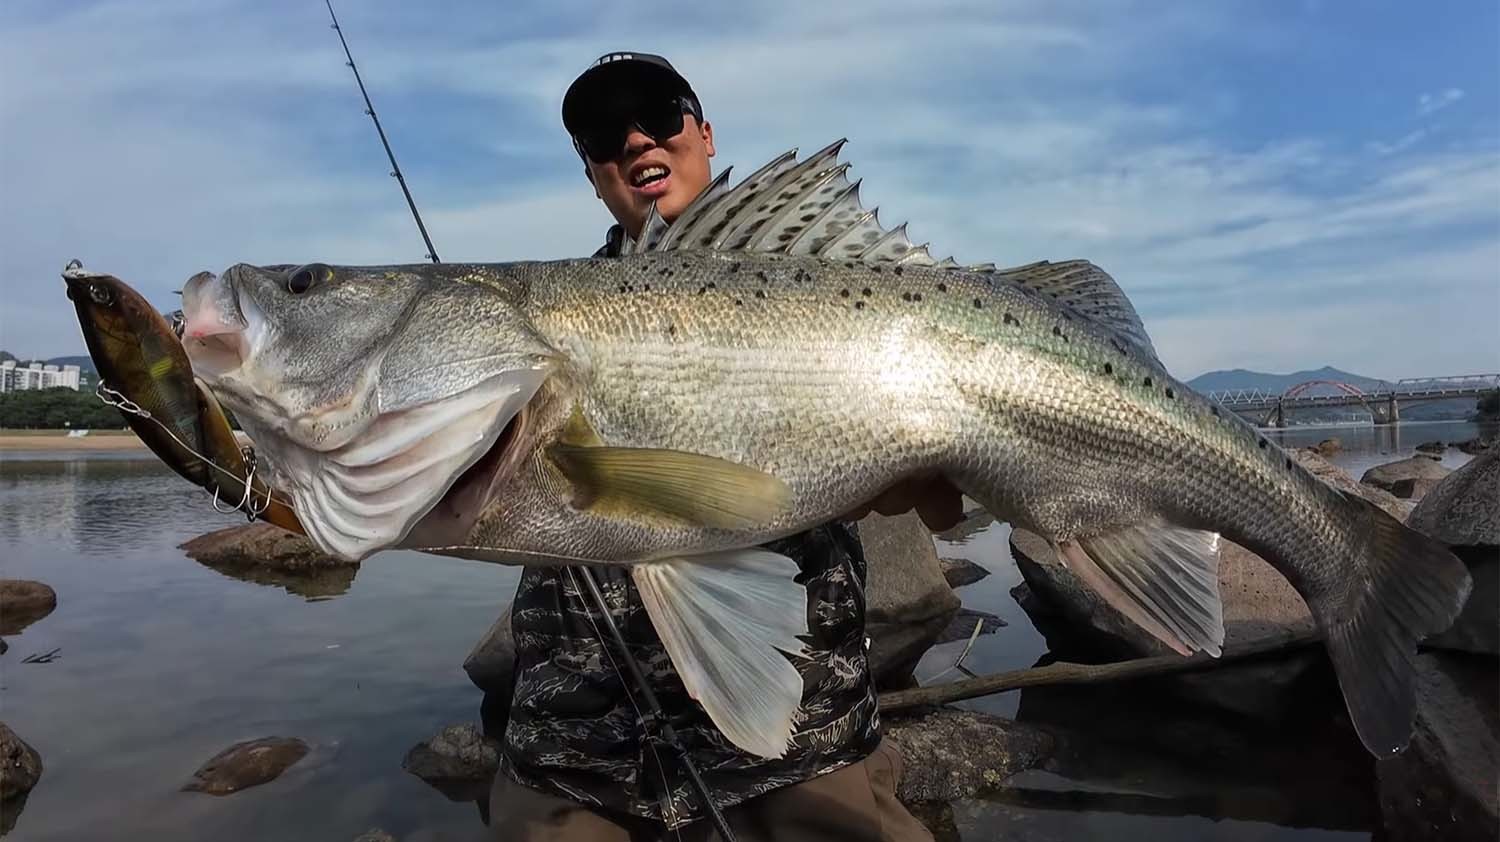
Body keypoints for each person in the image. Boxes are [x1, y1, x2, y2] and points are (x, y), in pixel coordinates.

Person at [487, 51, 956, 842]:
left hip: (804, 735)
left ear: (703, 131)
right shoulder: (536, 317)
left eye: (659, 113)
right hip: (587, 755)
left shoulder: (842, 292)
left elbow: (946, 509)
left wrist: (930, 475)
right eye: (604, 132)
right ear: (592, 172)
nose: (636, 139)